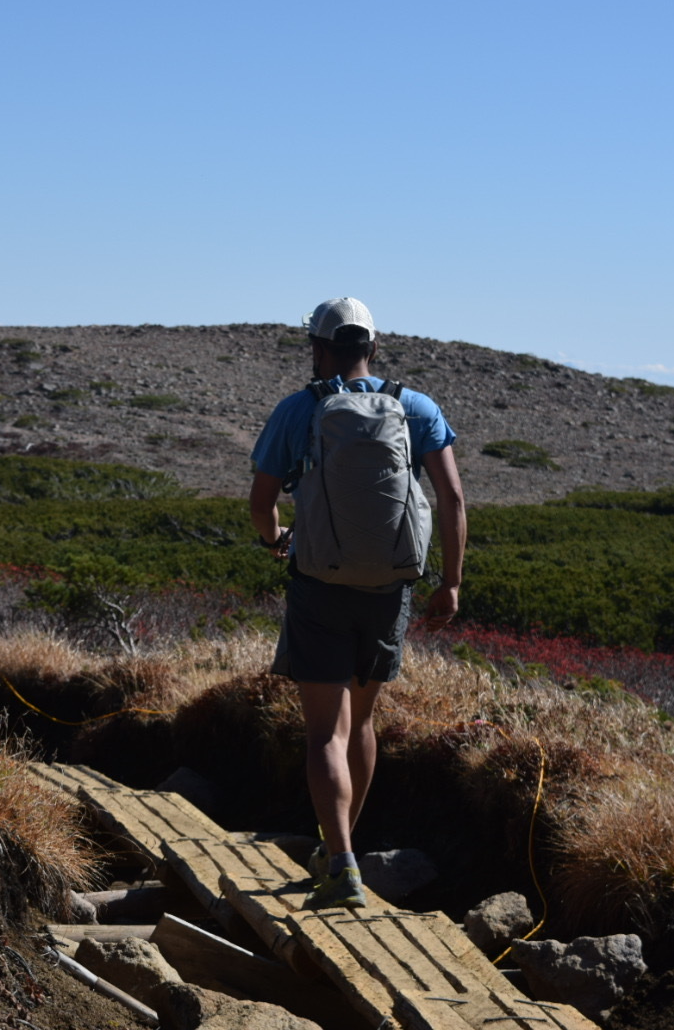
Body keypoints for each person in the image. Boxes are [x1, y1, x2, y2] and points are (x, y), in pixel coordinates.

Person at [249, 297, 466, 910]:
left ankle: (341, 861)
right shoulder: (417, 407)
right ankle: (340, 848)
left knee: (325, 731)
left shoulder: (299, 410)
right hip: (389, 587)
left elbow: (261, 502)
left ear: (318, 348)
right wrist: (449, 581)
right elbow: (450, 497)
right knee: (362, 723)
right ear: (373, 345)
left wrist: (276, 543)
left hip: (319, 582)